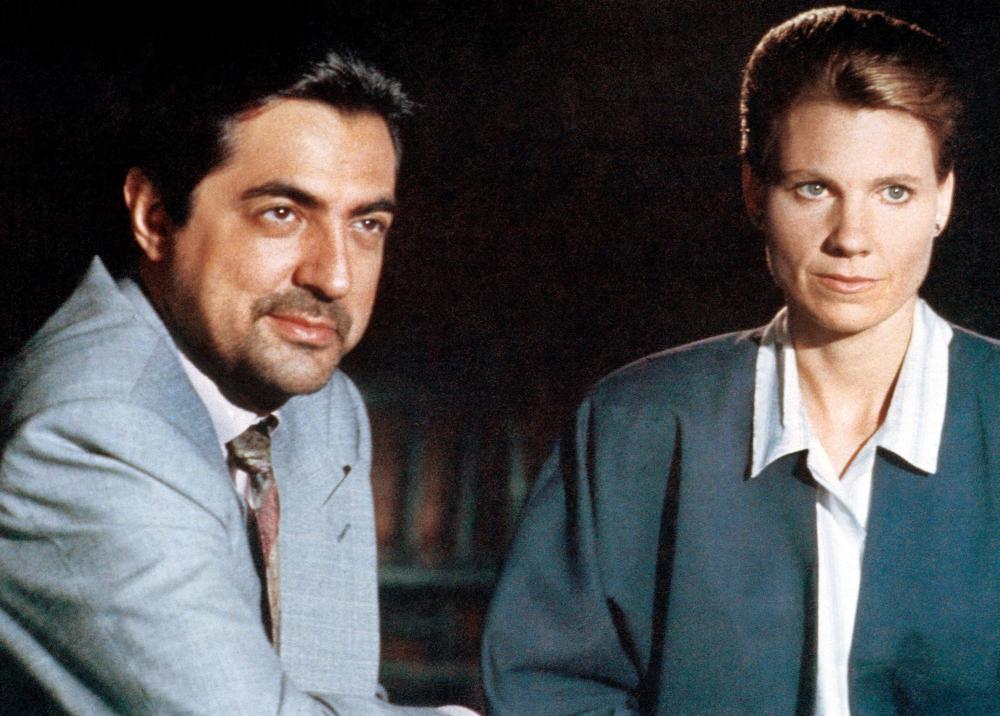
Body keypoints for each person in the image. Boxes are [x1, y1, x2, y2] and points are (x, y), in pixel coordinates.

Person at [482, 6, 999, 714]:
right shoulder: (636, 425)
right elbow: (544, 691)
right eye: (813, 188)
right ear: (756, 193)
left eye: (894, 192)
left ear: (943, 198)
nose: (852, 237)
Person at [0, 43, 473, 714]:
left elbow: (340, 691)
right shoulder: (89, 428)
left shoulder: (320, 403)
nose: (334, 276)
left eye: (367, 224)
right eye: (282, 213)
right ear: (154, 216)